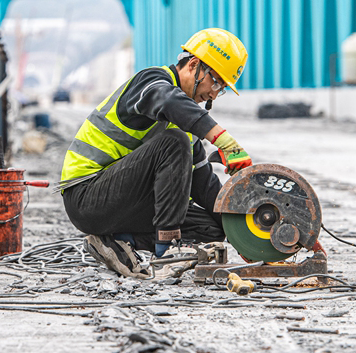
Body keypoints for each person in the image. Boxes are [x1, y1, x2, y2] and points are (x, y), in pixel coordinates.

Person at [59, 28, 251, 279]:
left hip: (123, 202)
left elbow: (205, 186)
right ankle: (168, 250)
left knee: (213, 227)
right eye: (215, 81)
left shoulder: (186, 119)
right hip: (87, 197)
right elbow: (168, 101)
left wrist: (247, 229)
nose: (214, 93)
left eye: (222, 88)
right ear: (193, 65)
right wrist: (224, 141)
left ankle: (115, 241)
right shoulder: (151, 81)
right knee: (174, 142)